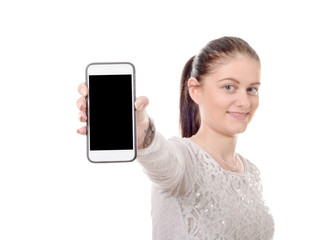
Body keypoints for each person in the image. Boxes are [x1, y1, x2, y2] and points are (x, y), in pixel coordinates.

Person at [77, 36, 274, 240]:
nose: (244, 101)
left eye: (252, 89)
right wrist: (142, 130)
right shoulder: (184, 159)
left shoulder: (250, 171)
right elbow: (162, 160)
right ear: (195, 91)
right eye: (228, 87)